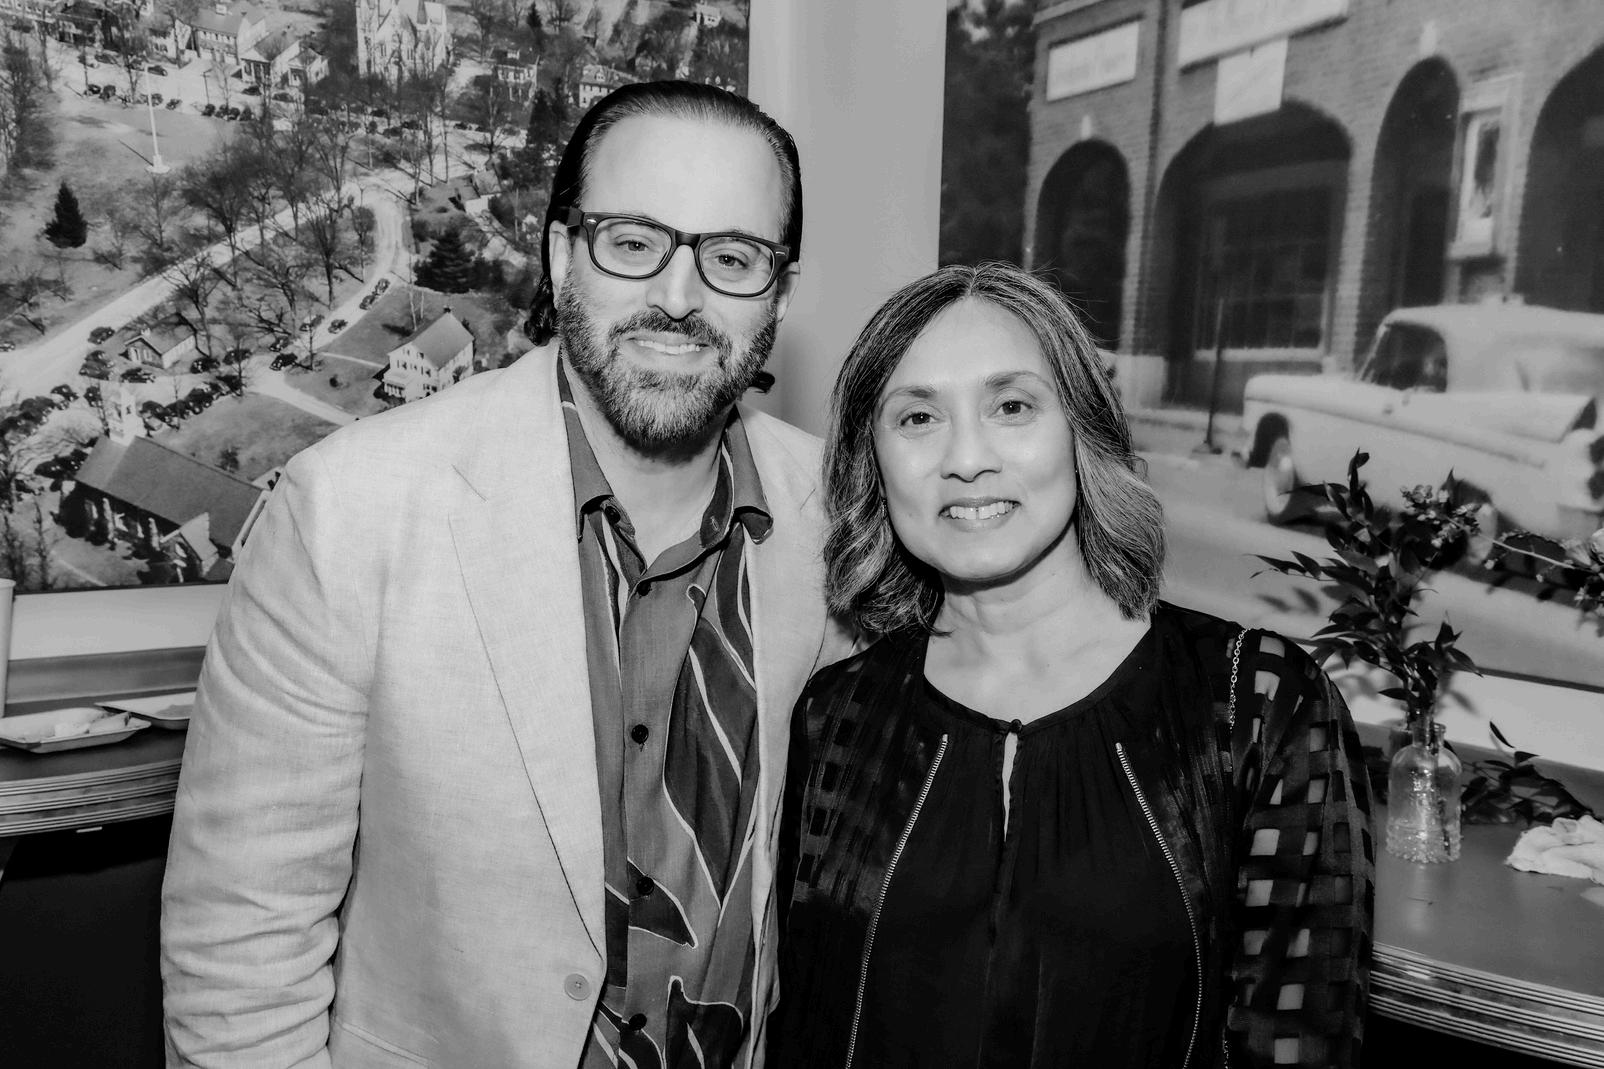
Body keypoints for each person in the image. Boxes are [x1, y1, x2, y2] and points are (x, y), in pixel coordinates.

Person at [162, 81, 852, 1069]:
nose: (678, 296)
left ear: (778, 293)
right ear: (563, 254)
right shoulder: (347, 510)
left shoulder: (834, 516)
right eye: (632, 242)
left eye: (733, 257)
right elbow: (241, 952)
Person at [768, 262, 1374, 1069]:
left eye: (1012, 406)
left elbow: (1300, 1044)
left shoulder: (1258, 703)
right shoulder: (836, 712)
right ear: (871, 459)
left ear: (1081, 429)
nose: (967, 457)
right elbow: (804, 1026)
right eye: (917, 417)